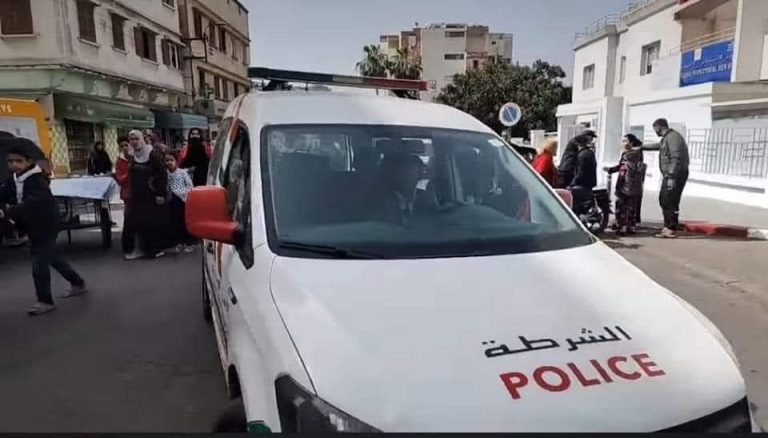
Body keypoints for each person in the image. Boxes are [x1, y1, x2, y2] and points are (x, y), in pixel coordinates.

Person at [0, 137, 87, 315]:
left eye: (18, 161)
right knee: (52, 257)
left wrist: (8, 211)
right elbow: (4, 192)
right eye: (10, 161)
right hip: (32, 225)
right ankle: (78, 283)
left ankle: (45, 301)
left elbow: (32, 202)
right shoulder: (14, 178)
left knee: (39, 263)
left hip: (46, 225)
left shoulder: (37, 180)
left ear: (29, 161)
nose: (14, 164)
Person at [124, 129, 169, 260]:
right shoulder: (132, 155)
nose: (134, 142)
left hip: (151, 195)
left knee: (150, 223)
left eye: (136, 139)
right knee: (135, 222)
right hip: (137, 195)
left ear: (142, 139)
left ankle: (153, 250)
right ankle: (137, 249)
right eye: (131, 139)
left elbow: (162, 173)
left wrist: (160, 193)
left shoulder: (151, 154)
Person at [642, 118, 690, 238]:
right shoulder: (668, 137)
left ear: (659, 127)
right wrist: (641, 147)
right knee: (670, 199)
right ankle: (672, 225)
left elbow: (675, 157)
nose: (655, 131)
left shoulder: (673, 137)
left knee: (667, 199)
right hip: (672, 174)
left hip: (674, 174)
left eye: (655, 129)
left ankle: (669, 228)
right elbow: (659, 146)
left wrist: (671, 176)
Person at [605, 134, 647, 235]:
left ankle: (622, 227)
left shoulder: (627, 155)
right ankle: (631, 227)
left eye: (625, 141)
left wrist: (611, 171)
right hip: (636, 187)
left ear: (631, 143)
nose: (623, 143)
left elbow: (623, 170)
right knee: (632, 207)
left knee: (621, 206)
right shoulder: (639, 155)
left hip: (625, 186)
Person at [165, 151, 195, 254]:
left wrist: (184, 194)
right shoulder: (165, 174)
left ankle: (189, 243)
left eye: (171, 160)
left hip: (183, 200)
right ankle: (179, 243)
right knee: (175, 223)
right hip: (171, 201)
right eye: (167, 160)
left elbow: (190, 186)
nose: (169, 162)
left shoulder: (182, 172)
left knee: (184, 222)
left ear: (176, 161)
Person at [569, 133, 598, 217]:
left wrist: (572, 183)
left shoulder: (582, 155)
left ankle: (577, 215)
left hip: (583, 184)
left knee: (570, 193)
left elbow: (581, 172)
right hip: (589, 183)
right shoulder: (589, 152)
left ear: (578, 144)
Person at [114, 137, 133, 254]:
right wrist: (128, 173)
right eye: (122, 146)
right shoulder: (120, 161)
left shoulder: (137, 157)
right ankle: (128, 247)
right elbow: (119, 178)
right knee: (129, 219)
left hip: (140, 192)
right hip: (128, 193)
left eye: (126, 144)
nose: (125, 147)